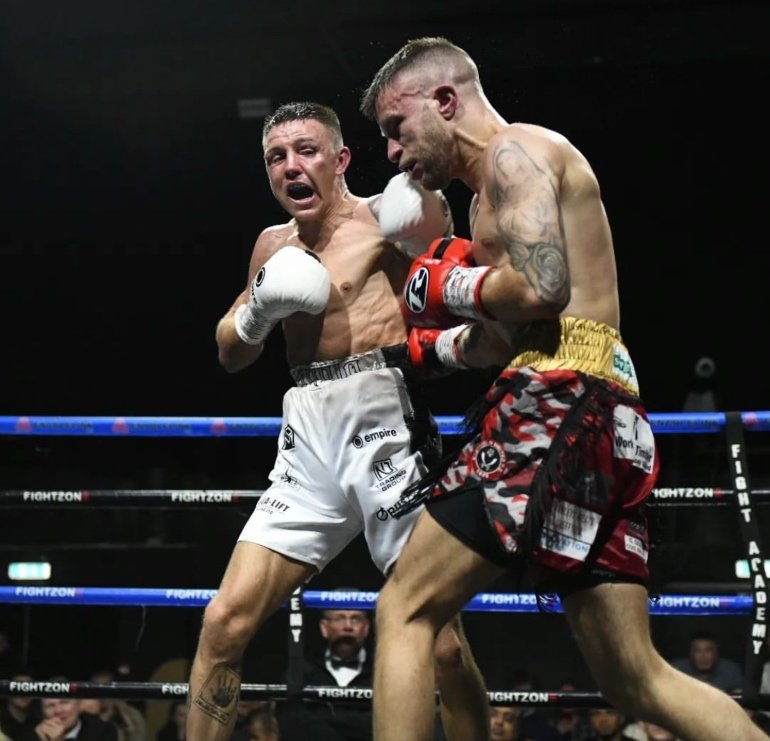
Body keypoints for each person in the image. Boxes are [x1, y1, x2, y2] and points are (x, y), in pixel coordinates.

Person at [358, 36, 770, 741]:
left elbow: (543, 290)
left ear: (445, 100)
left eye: (398, 129)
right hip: (605, 409)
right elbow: (509, 329)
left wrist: (448, 284)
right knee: (635, 677)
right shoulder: (493, 191)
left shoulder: (514, 153)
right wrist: (436, 342)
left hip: (558, 399)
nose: (394, 153)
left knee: (404, 606)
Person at [184, 100, 490, 741]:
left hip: (387, 421)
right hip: (306, 436)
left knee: (443, 649)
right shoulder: (272, 244)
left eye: (307, 151)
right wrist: (255, 316)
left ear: (341, 159)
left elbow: (458, 282)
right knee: (224, 622)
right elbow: (229, 354)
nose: (291, 166)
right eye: (276, 157)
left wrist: (430, 220)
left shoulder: (387, 217)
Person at [277, 604, 373, 740]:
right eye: (339, 619)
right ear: (324, 628)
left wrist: (324, 716)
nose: (348, 626)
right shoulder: (301, 672)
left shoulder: (383, 674)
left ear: (366, 627)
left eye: (356, 619)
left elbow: (385, 723)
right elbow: (292, 724)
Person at [668, 632, 744, 692]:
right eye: (697, 651)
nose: (703, 656)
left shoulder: (731, 671)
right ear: (691, 654)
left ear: (716, 653)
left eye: (708, 650)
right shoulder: (676, 670)